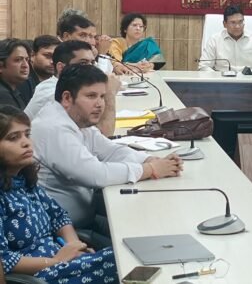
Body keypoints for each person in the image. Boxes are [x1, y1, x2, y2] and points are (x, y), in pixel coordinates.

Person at [31, 64, 184, 242]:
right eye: (91, 96)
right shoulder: (54, 128)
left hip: (85, 218)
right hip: (62, 234)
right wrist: (150, 169)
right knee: (137, 239)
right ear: (67, 98)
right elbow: (95, 175)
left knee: (146, 230)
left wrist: (150, 159)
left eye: (102, 96)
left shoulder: (76, 119)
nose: (99, 104)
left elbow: (110, 150)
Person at [0, 105, 118, 283]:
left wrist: (74, 246)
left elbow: (59, 216)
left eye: (27, 134)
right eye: (13, 138)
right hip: (42, 275)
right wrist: (57, 261)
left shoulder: (24, 183)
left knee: (128, 255)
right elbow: (4, 260)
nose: (26, 143)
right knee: (123, 263)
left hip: (63, 262)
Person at [199, 5, 252, 72]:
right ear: (224, 24)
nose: (237, 26)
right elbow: (204, 66)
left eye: (240, 22)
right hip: (222, 79)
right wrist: (217, 77)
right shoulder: (214, 40)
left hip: (250, 80)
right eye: (233, 23)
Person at [17, 35, 61, 105]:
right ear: (32, 55)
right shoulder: (22, 81)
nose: (52, 61)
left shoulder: (59, 80)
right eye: (47, 56)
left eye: (56, 57)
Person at [0, 38, 31, 109]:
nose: (25, 65)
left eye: (27, 60)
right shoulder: (3, 95)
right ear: (1, 66)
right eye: (18, 60)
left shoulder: (14, 89)